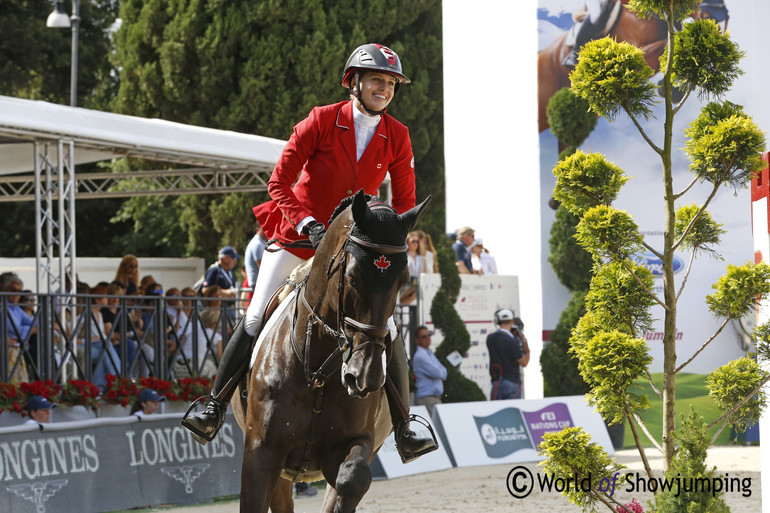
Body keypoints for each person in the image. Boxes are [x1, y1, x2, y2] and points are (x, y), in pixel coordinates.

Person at [182, 43, 437, 463]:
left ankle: (405, 425)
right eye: (377, 80)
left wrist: (392, 243)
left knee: (385, 328)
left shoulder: (399, 135)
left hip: (353, 249)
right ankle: (213, 406)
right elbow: (278, 183)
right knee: (255, 314)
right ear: (353, 82)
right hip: (298, 239)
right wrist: (308, 225)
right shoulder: (321, 120)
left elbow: (403, 204)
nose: (385, 88)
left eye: (391, 83)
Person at [487, 308, 530, 400]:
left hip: (497, 382)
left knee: (496, 412)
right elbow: (524, 362)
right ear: (512, 321)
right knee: (513, 411)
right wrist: (526, 348)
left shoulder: (490, 338)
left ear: (498, 321)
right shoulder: (512, 341)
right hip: (513, 382)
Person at [1, 272, 33, 384]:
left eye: (20, 292)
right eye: (13, 290)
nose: (17, 294)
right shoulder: (3, 305)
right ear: (3, 288)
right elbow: (14, 329)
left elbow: (34, 322)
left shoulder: (15, 307)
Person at [412, 326, 447, 416]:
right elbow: (438, 373)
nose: (427, 338)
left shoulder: (429, 353)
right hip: (427, 399)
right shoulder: (420, 356)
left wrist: (440, 372)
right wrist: (440, 372)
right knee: (434, 429)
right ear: (417, 340)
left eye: (429, 335)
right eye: (424, 336)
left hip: (434, 399)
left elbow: (444, 371)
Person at [243, 223, 267, 302]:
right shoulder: (258, 244)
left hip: (258, 285)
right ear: (257, 229)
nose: (267, 230)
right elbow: (263, 268)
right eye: (264, 227)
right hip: (258, 286)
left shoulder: (259, 243)